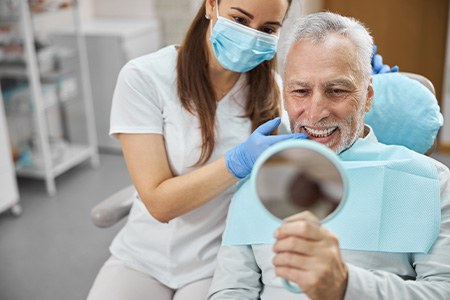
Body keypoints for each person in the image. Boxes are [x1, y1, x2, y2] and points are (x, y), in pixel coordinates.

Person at [207, 12, 450, 300]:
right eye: (300, 91)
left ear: (368, 96)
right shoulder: (257, 180)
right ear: (284, 94)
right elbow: (230, 289)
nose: (315, 112)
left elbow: (442, 290)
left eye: (336, 91)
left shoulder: (432, 183)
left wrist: (345, 285)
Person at [86, 0, 307, 299]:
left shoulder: (274, 92)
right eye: (240, 20)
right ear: (211, 5)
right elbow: (159, 204)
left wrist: (361, 83)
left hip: (218, 262)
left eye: (267, 29)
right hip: (142, 256)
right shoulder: (145, 77)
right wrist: (237, 162)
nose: (252, 36)